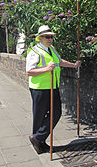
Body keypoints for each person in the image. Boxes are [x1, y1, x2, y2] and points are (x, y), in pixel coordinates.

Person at [26, 25, 81, 154]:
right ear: (40, 38)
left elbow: (59, 62)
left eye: (51, 37)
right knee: (39, 117)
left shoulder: (52, 49)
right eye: (47, 37)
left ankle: (38, 138)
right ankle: (40, 143)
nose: (50, 39)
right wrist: (46, 69)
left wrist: (73, 65)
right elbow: (29, 71)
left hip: (53, 86)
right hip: (40, 89)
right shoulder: (34, 52)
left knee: (56, 113)